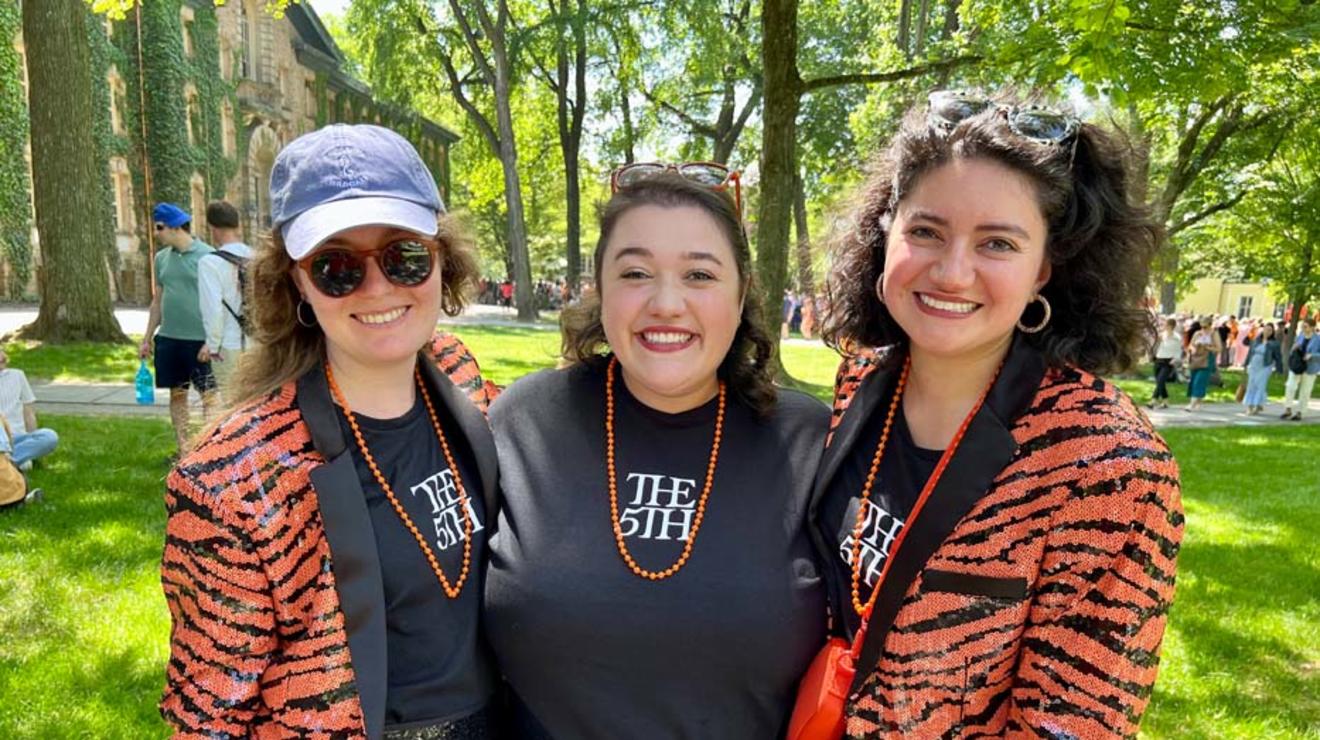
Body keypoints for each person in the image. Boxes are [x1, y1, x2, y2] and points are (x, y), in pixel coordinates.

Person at [814, 91, 1183, 738]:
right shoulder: (863, 379)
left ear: (1045, 268)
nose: (953, 272)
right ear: (886, 230)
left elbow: (1072, 724)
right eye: (926, 231)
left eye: (998, 244)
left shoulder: (1106, 465)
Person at [159, 124, 501, 738]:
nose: (378, 287)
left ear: (442, 259)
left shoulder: (458, 374)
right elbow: (209, 718)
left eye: (405, 255)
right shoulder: (237, 479)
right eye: (336, 266)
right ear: (297, 283)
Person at [485, 169, 829, 738]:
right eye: (636, 273)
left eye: (699, 274)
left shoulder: (812, 445)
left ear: (741, 293)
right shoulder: (525, 421)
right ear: (600, 288)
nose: (667, 303)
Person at [140, 202, 217, 455]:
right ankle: (184, 449)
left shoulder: (208, 256)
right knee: (177, 394)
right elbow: (157, 301)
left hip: (199, 341)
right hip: (170, 339)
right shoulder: (161, 259)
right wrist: (147, 337)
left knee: (209, 396)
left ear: (174, 227)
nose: (156, 233)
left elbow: (217, 302)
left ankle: (208, 449)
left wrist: (211, 340)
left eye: (160, 227)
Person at [197, 200, 254, 390]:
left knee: (232, 407)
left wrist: (212, 346)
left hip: (228, 344)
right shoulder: (255, 257)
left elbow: (213, 310)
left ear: (213, 228)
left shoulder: (209, 263)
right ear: (237, 225)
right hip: (258, 342)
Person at [0, 348, 57, 468]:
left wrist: (35, 443)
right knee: (25, 465)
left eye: (2, 351)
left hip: (16, 439)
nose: (3, 356)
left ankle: (6, 464)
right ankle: (10, 464)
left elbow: (29, 412)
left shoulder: (17, 375)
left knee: (49, 436)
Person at [1282, 318, 1319, 420]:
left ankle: (1300, 412)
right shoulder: (1300, 336)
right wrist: (1294, 348)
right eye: (1302, 326)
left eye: (1305, 326)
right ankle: (1288, 409)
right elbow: (1294, 350)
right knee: (1290, 386)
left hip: (1310, 368)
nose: (1303, 328)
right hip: (1297, 365)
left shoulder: (1318, 339)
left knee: (1305, 391)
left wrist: (1312, 355)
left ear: (1312, 328)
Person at [1242, 322, 1283, 414]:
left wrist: (1279, 369)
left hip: (1265, 366)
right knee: (1251, 385)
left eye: (1270, 330)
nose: (1267, 332)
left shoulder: (1274, 344)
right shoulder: (1256, 340)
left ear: (1273, 332)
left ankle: (1257, 405)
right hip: (1254, 365)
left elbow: (1278, 357)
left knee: (1260, 386)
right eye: (1266, 329)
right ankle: (1250, 406)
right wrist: (1246, 364)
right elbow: (1250, 353)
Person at [1150, 316, 1181, 409]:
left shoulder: (1176, 338)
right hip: (1159, 359)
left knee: (1160, 381)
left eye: (1166, 325)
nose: (1164, 326)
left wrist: (1175, 359)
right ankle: (1166, 402)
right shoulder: (1161, 335)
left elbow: (1178, 350)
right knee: (1160, 382)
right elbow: (1155, 346)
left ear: (1171, 326)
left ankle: (1153, 401)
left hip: (1168, 362)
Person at [1185, 320, 1214, 410]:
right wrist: (1194, 347)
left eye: (1205, 327)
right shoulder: (1197, 333)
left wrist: (1206, 346)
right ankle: (1198, 401)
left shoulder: (1214, 335)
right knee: (1194, 380)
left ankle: (1191, 405)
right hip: (1196, 359)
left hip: (1207, 359)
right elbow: (1190, 345)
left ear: (1210, 326)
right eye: (1202, 326)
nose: (1203, 329)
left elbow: (1218, 348)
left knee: (1199, 381)